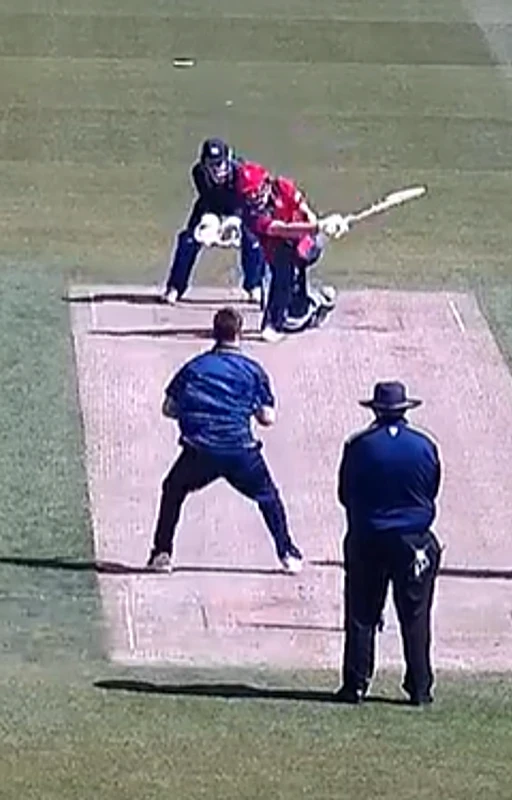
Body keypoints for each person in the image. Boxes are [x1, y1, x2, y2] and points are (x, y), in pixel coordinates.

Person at [146, 306, 305, 575]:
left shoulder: (194, 368)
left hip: (199, 450)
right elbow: (267, 418)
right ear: (239, 333)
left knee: (173, 489)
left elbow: (168, 409)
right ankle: (287, 553)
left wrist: (195, 411)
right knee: (268, 496)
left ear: (214, 333)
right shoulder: (253, 371)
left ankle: (162, 554)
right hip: (240, 450)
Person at [335, 381, 442, 706]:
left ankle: (356, 683)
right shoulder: (424, 446)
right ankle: (420, 687)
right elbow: (432, 489)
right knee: (416, 614)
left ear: (376, 411)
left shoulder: (359, 446)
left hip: (368, 536)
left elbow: (344, 493)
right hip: (414, 541)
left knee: (362, 612)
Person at [236, 161, 345, 343]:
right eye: (249, 193)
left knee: (295, 275)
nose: (253, 196)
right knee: (283, 278)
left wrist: (319, 223)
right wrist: (317, 227)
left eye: (256, 191)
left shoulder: (281, 185)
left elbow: (301, 204)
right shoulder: (251, 214)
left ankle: (311, 303)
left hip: (304, 242)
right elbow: (281, 229)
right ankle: (276, 323)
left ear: (266, 183)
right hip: (278, 246)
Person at [162, 138, 266, 305]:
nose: (216, 169)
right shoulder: (198, 173)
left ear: (228, 159)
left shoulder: (242, 173)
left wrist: (235, 220)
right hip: (211, 207)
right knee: (187, 240)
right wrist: (210, 223)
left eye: (219, 163)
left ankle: (254, 286)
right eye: (211, 164)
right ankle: (175, 287)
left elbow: (249, 200)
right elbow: (208, 199)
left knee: (254, 241)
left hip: (241, 207)